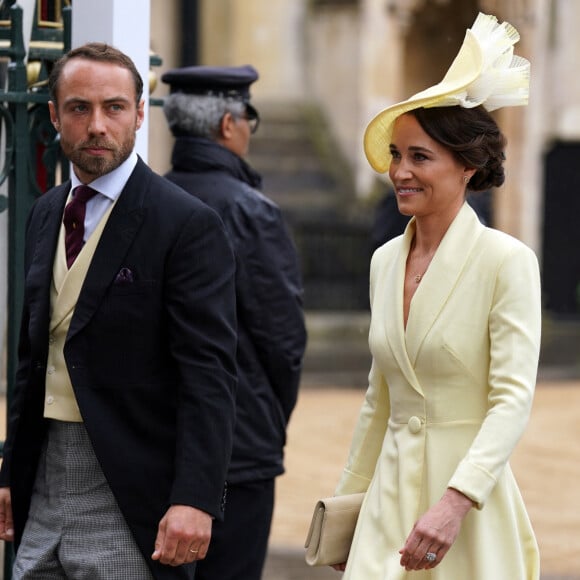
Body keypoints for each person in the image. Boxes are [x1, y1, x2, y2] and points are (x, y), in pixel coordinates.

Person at [0, 43, 238, 580]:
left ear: (138, 112)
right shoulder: (44, 213)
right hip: (43, 480)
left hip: (132, 485)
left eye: (113, 107)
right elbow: (31, 359)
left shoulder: (185, 223)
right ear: (55, 115)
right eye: (80, 108)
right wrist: (13, 472)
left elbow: (210, 375)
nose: (97, 125)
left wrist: (195, 498)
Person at [331, 13, 541, 579]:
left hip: (467, 505)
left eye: (419, 156)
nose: (400, 171)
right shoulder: (383, 261)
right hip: (386, 501)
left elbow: (511, 400)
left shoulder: (508, 261)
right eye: (397, 155)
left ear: (467, 167)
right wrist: (346, 510)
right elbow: (380, 399)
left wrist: (456, 501)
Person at [161, 65, 307, 580]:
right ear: (229, 124)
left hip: (155, 440)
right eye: (250, 117)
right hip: (238, 449)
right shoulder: (250, 210)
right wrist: (268, 422)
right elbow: (283, 342)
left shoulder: (148, 202)